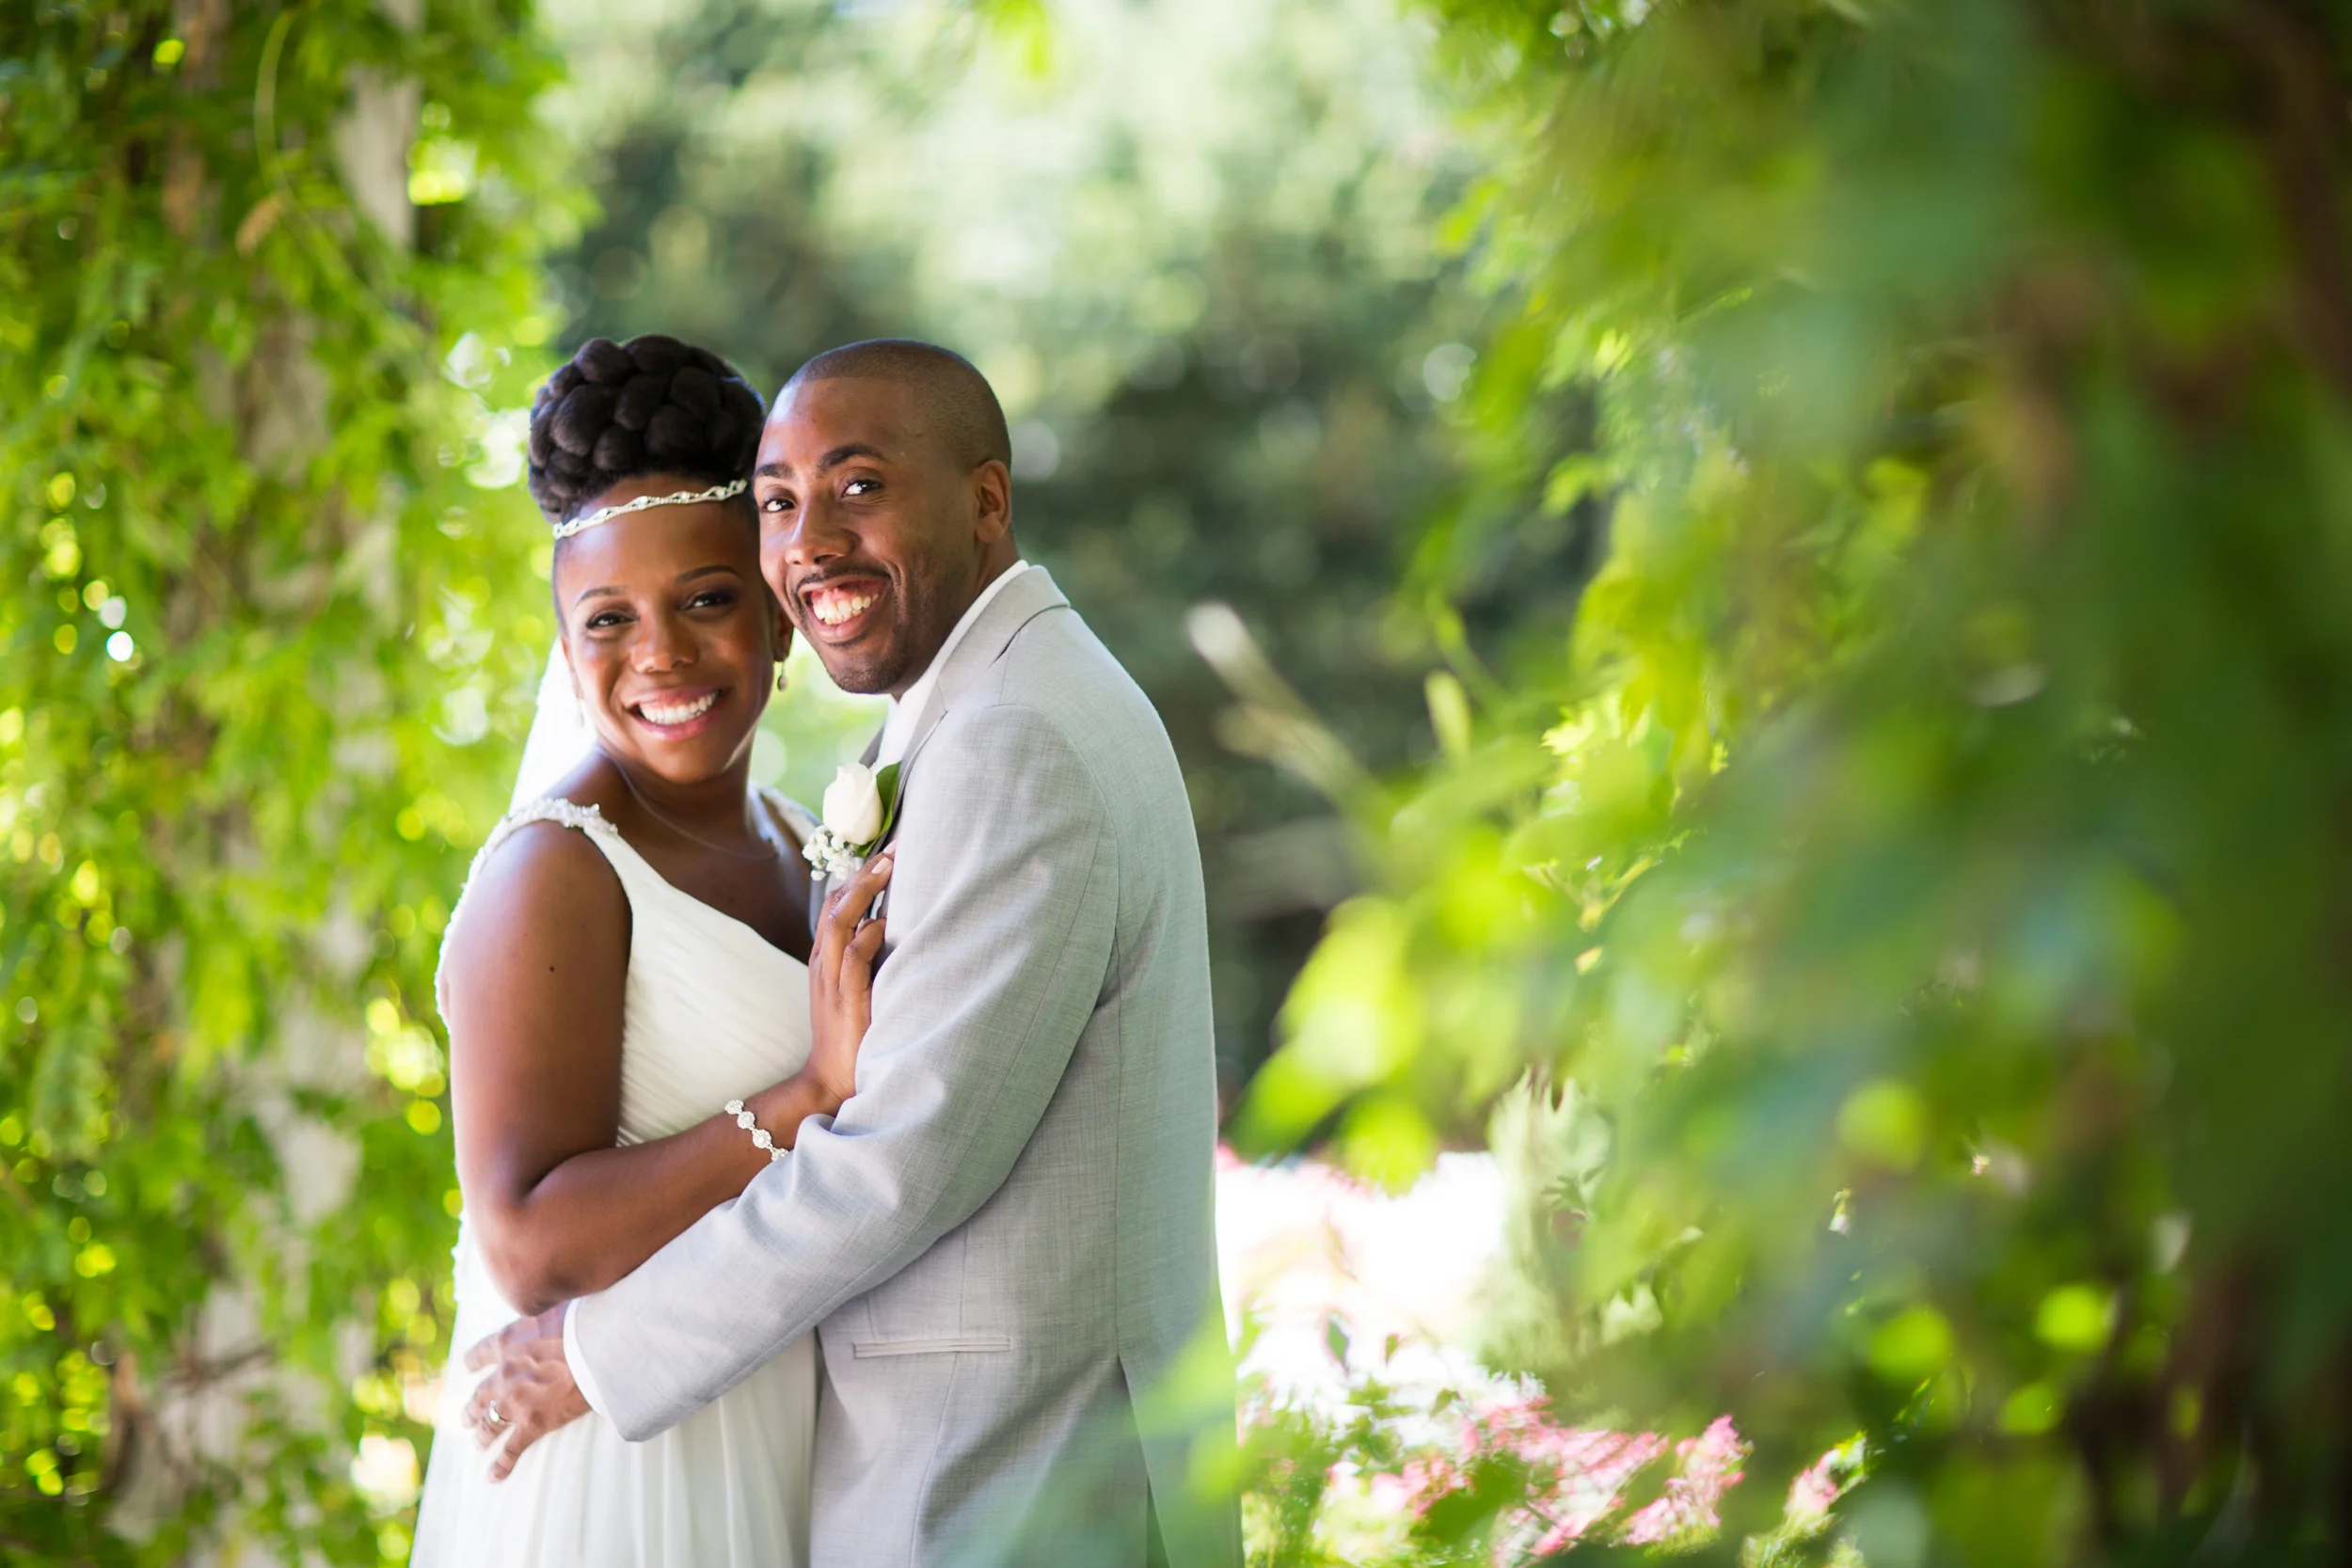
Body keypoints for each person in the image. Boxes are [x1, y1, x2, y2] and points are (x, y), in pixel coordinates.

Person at [461, 340, 1244, 1567]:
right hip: (765, 1468)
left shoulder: (1005, 737)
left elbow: (904, 1159)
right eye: (781, 501)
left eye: (859, 485)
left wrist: (597, 1357)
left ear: (985, 497)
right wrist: (808, 1093)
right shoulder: (996, 711)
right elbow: (529, 1228)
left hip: (1002, 1471)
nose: (812, 538)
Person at [410, 333, 893, 1566]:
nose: (661, 655)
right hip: (617, 1480)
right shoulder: (557, 872)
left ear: (781, 615)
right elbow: (528, 1245)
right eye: (610, 618)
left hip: (773, 1434)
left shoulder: (803, 839)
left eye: (708, 600)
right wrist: (806, 1098)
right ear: (568, 653)